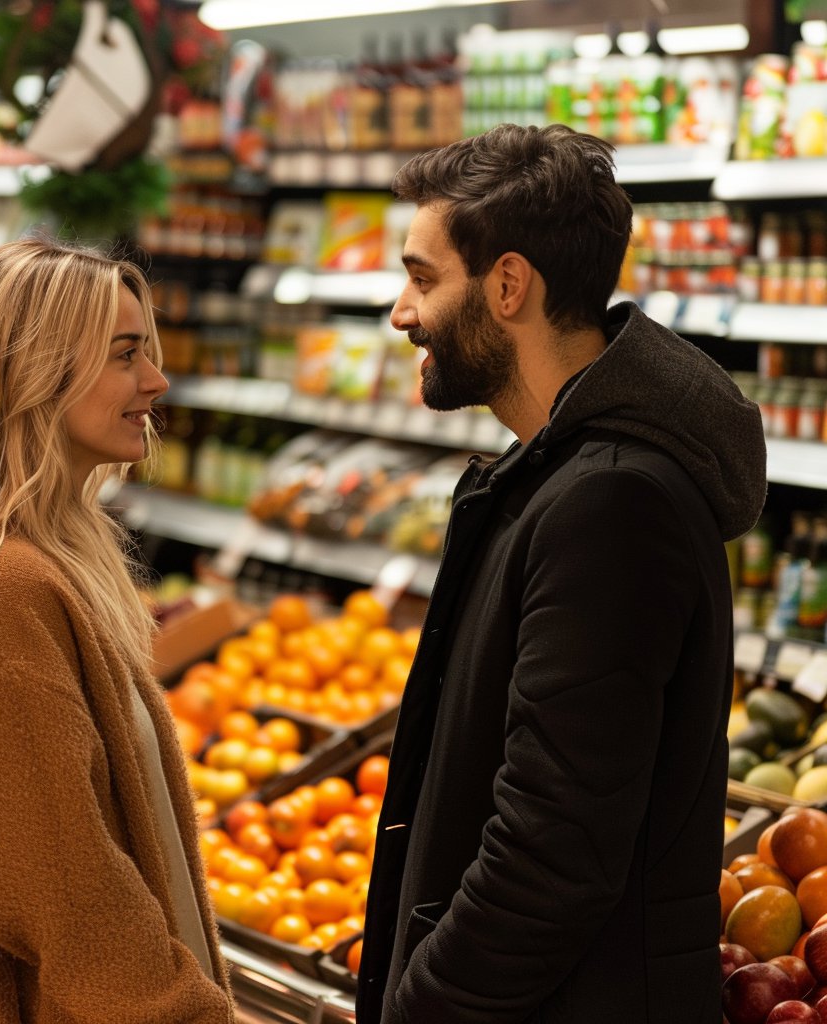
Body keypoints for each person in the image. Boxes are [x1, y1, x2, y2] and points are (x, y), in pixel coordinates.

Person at [356, 124, 767, 1024]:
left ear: (508, 285)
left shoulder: (613, 505)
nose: (400, 310)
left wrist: (420, 1007)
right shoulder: (556, 476)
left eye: (423, 278)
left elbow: (553, 854)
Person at [0, 238, 235, 1023]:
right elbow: (58, 884)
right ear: (29, 373)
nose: (156, 381)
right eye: (125, 355)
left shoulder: (43, 560)